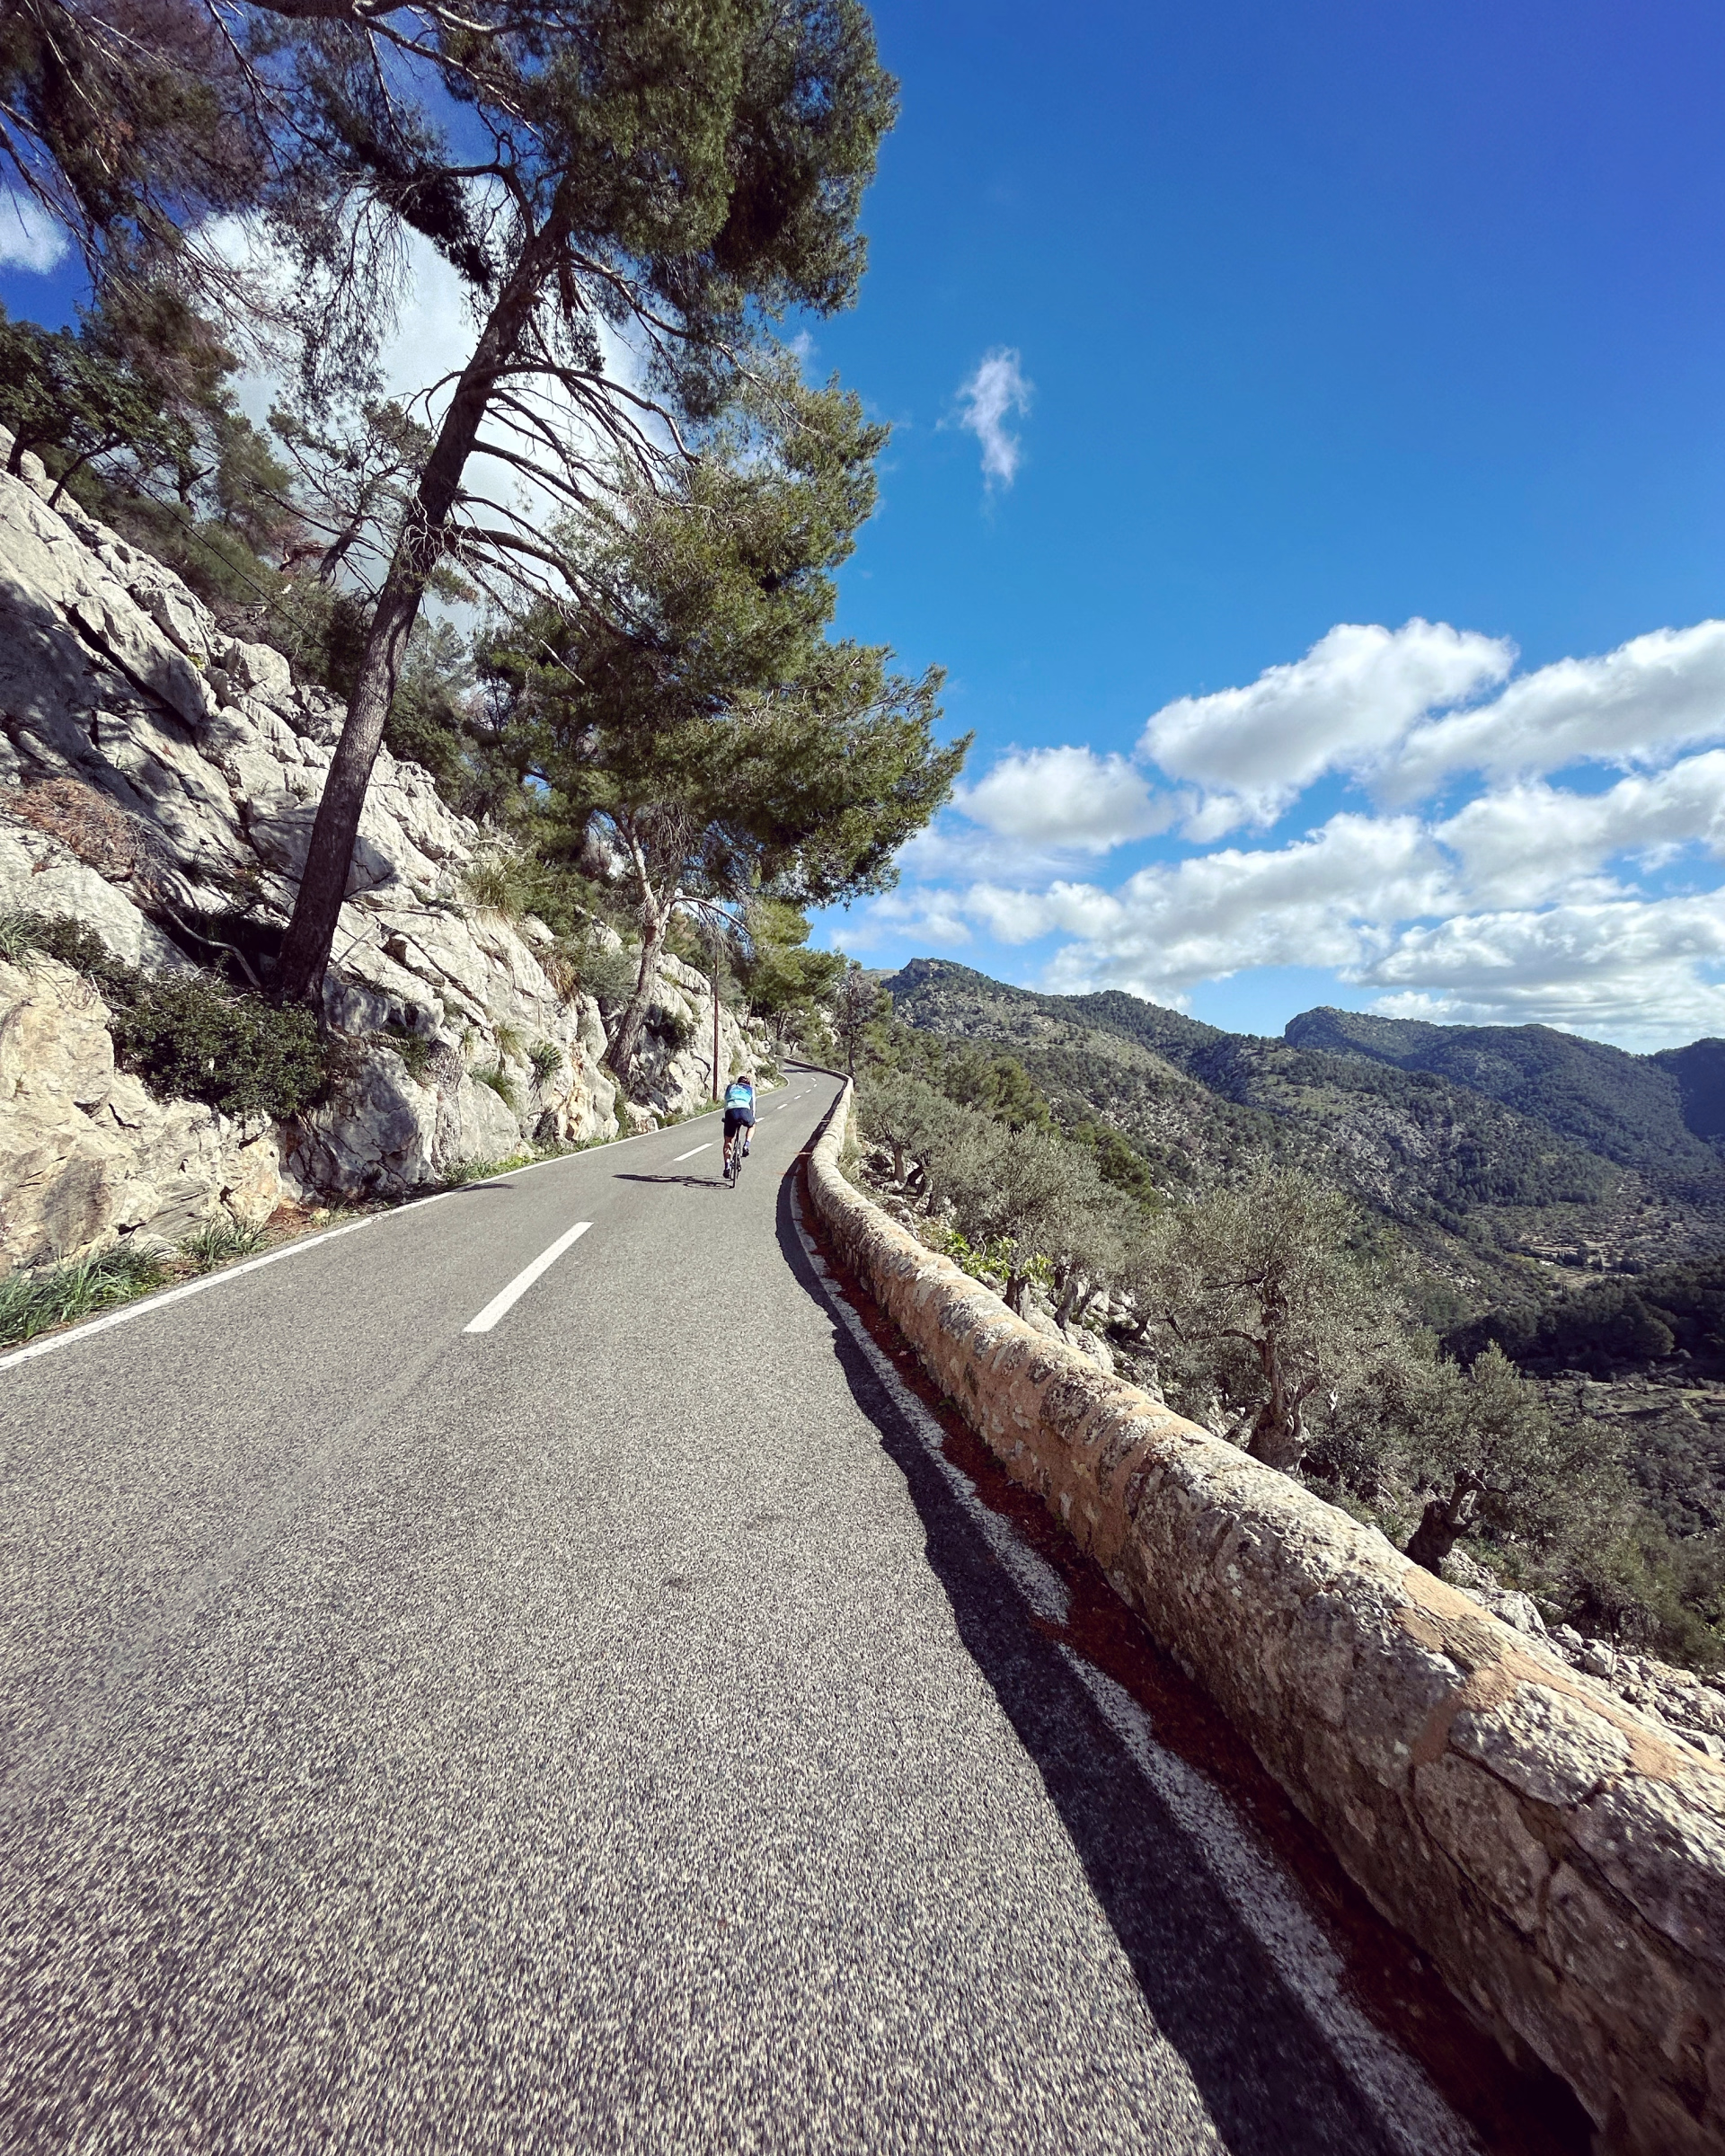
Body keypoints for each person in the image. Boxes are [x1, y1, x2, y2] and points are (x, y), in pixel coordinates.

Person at [722, 1072, 756, 1173]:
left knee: (728, 1141)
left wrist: (726, 1117)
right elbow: (753, 1106)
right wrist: (752, 1118)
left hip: (731, 1112)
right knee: (752, 1125)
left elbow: (726, 1102)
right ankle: (746, 1145)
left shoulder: (730, 1087)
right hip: (744, 1110)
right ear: (748, 1084)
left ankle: (727, 1166)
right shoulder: (750, 1089)